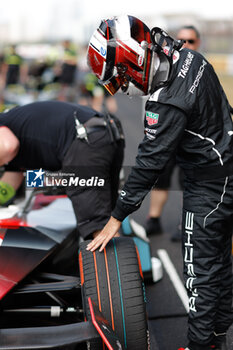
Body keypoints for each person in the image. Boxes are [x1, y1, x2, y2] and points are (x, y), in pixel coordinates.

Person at [86, 15, 233, 350]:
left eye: (121, 78)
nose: (123, 87)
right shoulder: (191, 57)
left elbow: (149, 164)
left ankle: (201, 346)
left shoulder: (165, 102)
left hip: (207, 190)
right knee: (220, 267)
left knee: (200, 276)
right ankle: (217, 340)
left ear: (133, 59)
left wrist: (116, 217)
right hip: (225, 170)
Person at [0, 100, 124, 239]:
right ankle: (120, 257)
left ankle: (116, 260)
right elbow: (10, 182)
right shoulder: (14, 140)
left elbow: (8, 146)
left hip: (85, 141)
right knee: (106, 219)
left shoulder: (3, 122)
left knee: (97, 226)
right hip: (105, 133)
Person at [145, 25, 201, 238]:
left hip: (191, 139)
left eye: (191, 41)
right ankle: (154, 219)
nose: (185, 45)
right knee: (159, 178)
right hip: (167, 137)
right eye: (181, 40)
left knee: (189, 183)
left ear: (199, 44)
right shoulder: (165, 67)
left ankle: (184, 224)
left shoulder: (203, 69)